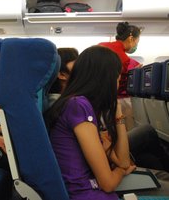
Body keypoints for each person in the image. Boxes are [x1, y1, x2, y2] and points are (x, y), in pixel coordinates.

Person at [45, 45, 136, 200]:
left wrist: (118, 113)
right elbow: (108, 183)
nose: (118, 82)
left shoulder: (78, 103)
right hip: (86, 194)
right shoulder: (78, 106)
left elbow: (123, 160)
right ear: (105, 78)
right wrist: (121, 171)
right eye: (117, 76)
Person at [99, 21, 142, 131]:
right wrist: (133, 73)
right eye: (137, 42)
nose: (136, 45)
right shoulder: (124, 58)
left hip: (95, 97)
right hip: (107, 100)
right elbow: (119, 85)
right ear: (131, 38)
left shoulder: (101, 45)